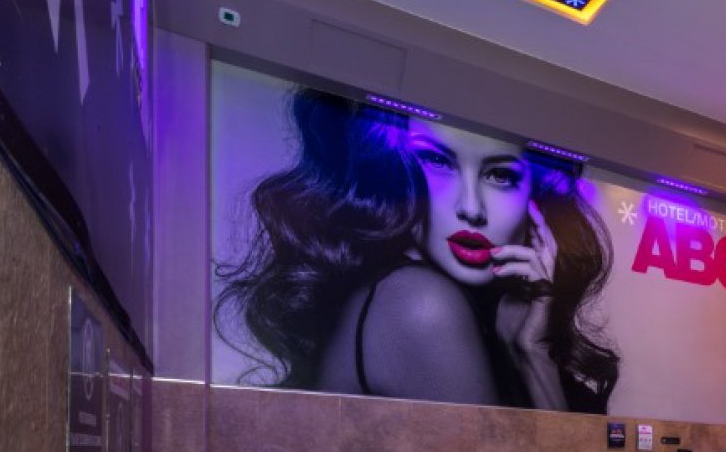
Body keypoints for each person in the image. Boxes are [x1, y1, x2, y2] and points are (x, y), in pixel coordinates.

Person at [215, 88, 620, 413]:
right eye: (437, 162)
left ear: (536, 201)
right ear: (391, 171)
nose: (471, 208)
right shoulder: (419, 301)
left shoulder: (476, 313)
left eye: (499, 175)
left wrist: (531, 350)